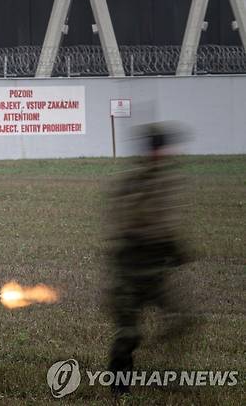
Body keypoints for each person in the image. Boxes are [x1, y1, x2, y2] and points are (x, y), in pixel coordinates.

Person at [107, 122, 193, 395]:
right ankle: (119, 387)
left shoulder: (167, 180)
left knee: (183, 318)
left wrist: (174, 249)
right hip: (131, 270)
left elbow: (165, 222)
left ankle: (165, 368)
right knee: (128, 335)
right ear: (155, 151)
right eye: (162, 149)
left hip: (155, 271)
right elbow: (129, 223)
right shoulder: (132, 182)